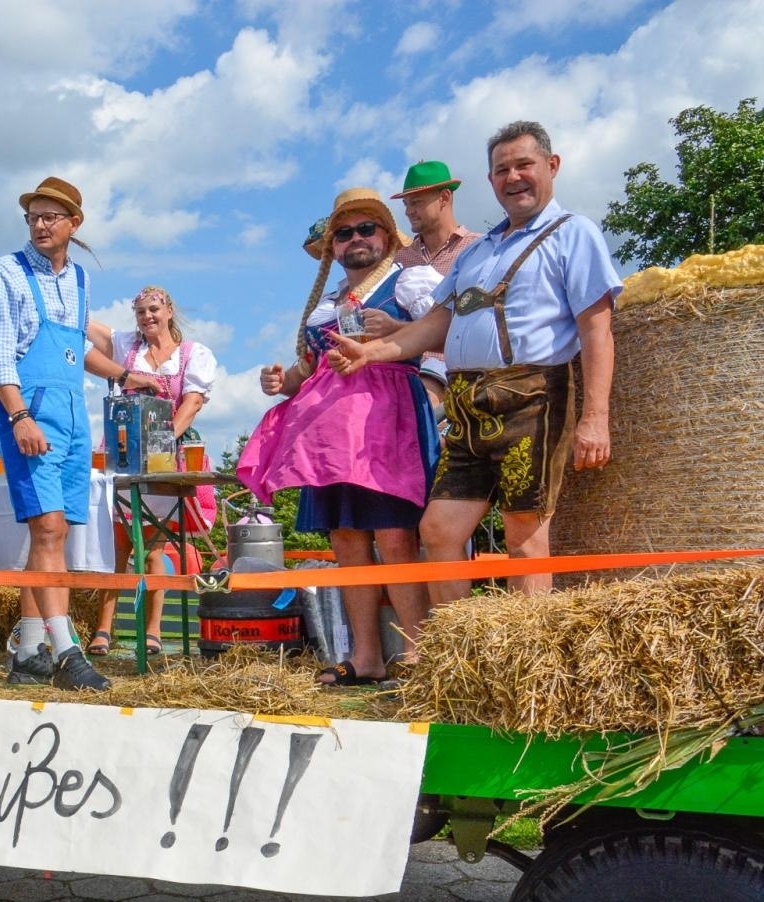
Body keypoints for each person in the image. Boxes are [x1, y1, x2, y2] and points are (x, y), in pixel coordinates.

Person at [330, 120, 620, 607]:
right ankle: (457, 648)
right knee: (439, 530)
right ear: (490, 180)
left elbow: (597, 331)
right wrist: (371, 352)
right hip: (468, 404)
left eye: (524, 165)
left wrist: (595, 418)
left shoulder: (573, 234)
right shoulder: (479, 250)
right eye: (502, 170)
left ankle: (528, 653)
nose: (513, 177)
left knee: (523, 534)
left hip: (533, 397)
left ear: (552, 166)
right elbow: (436, 323)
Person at [238, 188, 442, 685]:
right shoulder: (325, 306)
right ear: (332, 246)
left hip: (386, 426)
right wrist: (281, 381)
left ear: (386, 236)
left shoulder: (409, 282)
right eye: (344, 233)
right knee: (347, 541)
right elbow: (308, 370)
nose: (356, 239)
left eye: (366, 229)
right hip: (329, 438)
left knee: (396, 537)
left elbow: (445, 332)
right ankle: (366, 655)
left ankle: (417, 653)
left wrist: (398, 330)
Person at [0, 176, 141, 691]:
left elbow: (79, 349)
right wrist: (19, 417)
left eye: (51, 217)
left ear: (74, 223)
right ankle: (67, 651)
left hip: (72, 412)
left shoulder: (79, 280)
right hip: (29, 409)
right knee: (48, 527)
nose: (40, 225)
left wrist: (124, 375)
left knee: (55, 533)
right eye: (34, 217)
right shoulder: (6, 272)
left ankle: (28, 653)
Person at [85, 285, 217, 657]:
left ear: (169, 310)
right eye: (141, 312)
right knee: (117, 546)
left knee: (153, 546)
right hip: (124, 452)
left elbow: (192, 403)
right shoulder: (127, 346)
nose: (147, 317)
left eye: (154, 310)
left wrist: (162, 440)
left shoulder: (193, 354)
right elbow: (81, 321)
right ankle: (103, 629)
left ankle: (153, 630)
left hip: (165, 458)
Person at [392, 160, 481, 405]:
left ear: (444, 197)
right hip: (404, 374)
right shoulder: (399, 259)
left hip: (463, 376)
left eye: (416, 202)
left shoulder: (479, 249)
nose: (409, 211)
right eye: (406, 204)